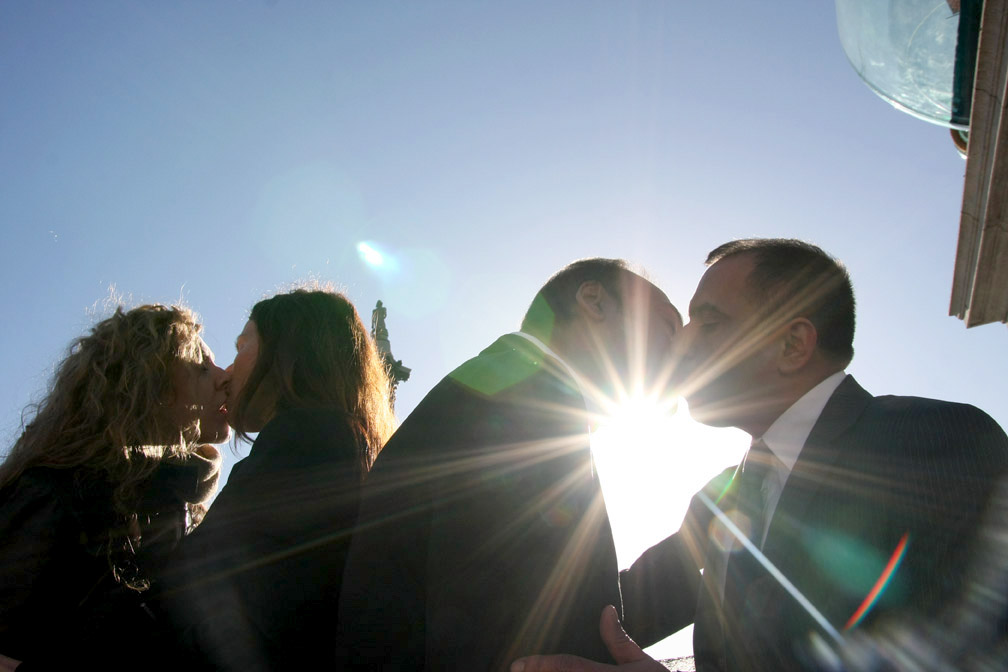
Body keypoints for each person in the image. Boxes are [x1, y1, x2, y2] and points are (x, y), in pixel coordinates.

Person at [512, 239, 1008, 672]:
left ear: (792, 344)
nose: (681, 344)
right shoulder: (718, 498)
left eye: (709, 322)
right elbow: (617, 614)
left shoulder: (936, 439)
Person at [337, 258, 683, 670]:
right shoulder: (520, 409)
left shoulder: (515, 394)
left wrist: (698, 548)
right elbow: (504, 642)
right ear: (594, 301)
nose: (684, 350)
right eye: (669, 327)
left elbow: (556, 610)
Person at [159, 286, 396, 671]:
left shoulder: (305, 442)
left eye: (241, 346)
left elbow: (199, 606)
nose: (227, 372)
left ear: (287, 349)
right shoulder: (337, 442)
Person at [0, 304, 227, 670]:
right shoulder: (58, 495)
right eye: (201, 367)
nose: (223, 377)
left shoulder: (176, 505)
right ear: (146, 385)